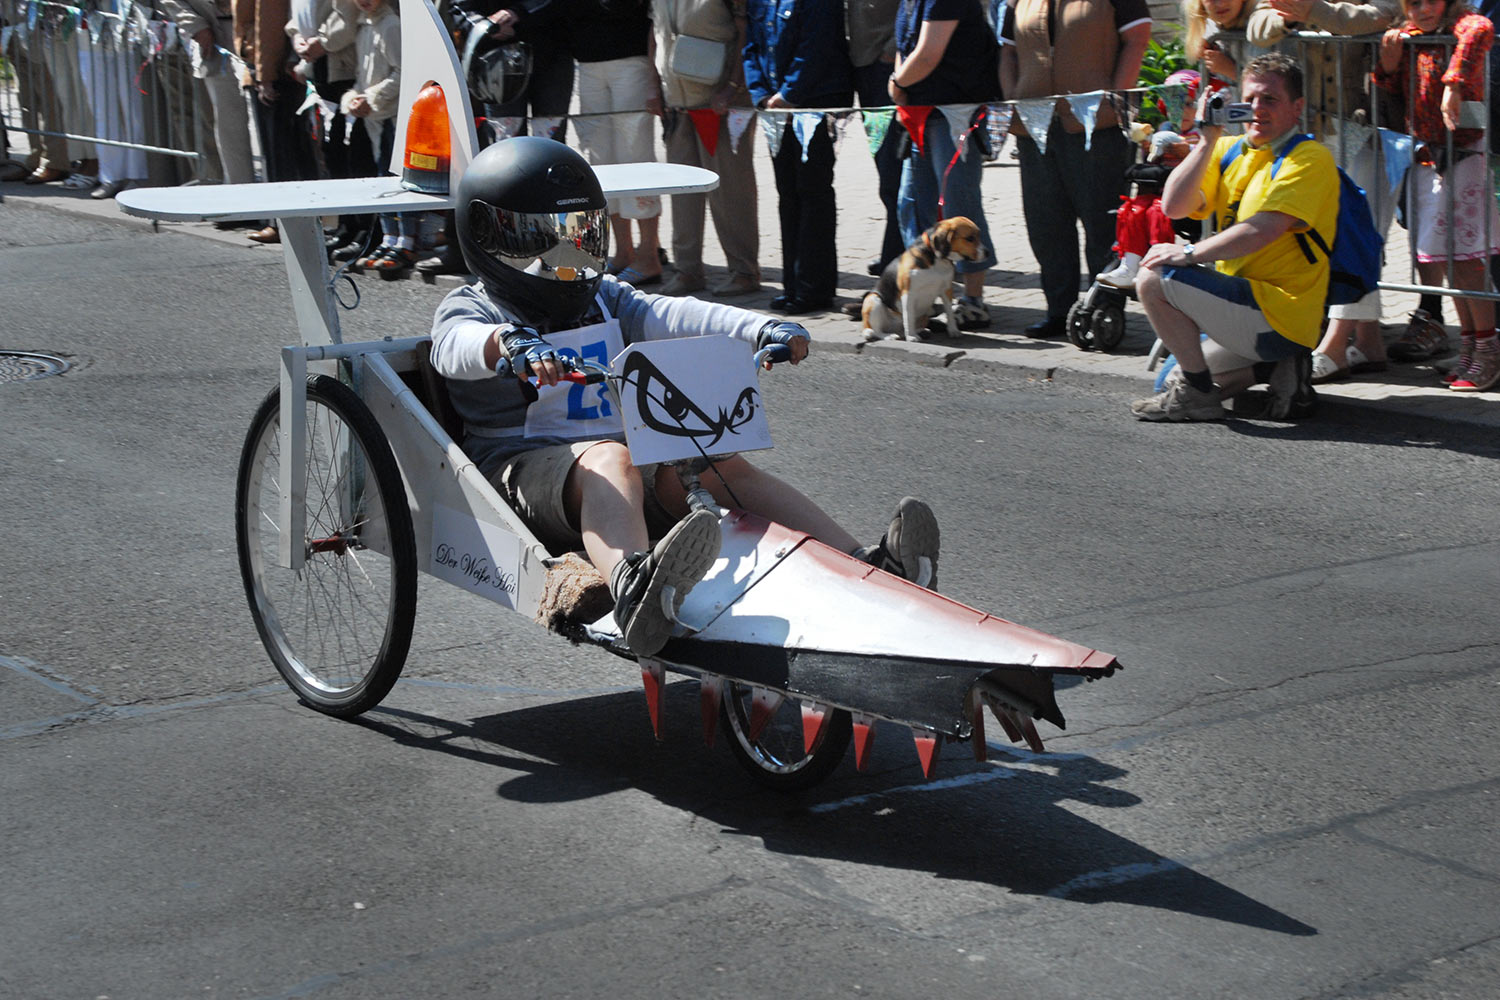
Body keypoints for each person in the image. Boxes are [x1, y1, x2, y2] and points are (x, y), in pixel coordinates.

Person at [428, 137, 940, 655]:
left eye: (576, 237)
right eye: (540, 242)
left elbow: (677, 315)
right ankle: (635, 592)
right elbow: (452, 349)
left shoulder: (606, 298)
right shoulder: (472, 307)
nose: (564, 259)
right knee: (613, 457)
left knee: (712, 462)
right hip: (517, 470)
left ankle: (868, 565)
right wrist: (506, 342)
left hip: (617, 474)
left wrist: (761, 327)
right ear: (487, 237)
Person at [1130, 51, 1339, 421]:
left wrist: (1189, 254)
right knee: (1166, 381)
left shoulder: (1310, 158)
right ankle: (1274, 369)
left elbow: (1264, 229)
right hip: (1240, 310)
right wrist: (1207, 140)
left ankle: (1198, 394)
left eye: (1270, 99)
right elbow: (1174, 206)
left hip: (1281, 314)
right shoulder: (1228, 149)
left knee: (1152, 277)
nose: (1258, 109)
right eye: (1251, 99)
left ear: (1297, 107)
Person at [1248, 0, 1400, 383]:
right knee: (1342, 237)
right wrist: (1289, 15)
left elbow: (1378, 16)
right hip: (1315, 133)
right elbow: (1256, 25)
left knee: (1358, 236)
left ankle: (1334, 346)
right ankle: (1367, 341)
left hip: (1370, 130)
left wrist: (1313, 11)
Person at [999, 0, 1152, 339]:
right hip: (1034, 125)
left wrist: (1115, 96)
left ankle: (1103, 312)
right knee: (1045, 223)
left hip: (1098, 126)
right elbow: (1007, 51)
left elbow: (1138, 37)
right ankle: (1059, 312)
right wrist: (1014, 96)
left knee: (1102, 224)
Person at [1374, 0, 1500, 391]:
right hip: (1427, 154)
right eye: (1413, 2)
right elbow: (1393, 90)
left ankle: (1489, 349)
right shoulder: (1409, 35)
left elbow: (1481, 28)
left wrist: (1454, 83)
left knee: (1468, 259)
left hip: (1462, 151)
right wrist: (1390, 64)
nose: (1423, 8)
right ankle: (1469, 347)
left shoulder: (1463, 24)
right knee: (1445, 257)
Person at [891, 0, 1001, 329]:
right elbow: (905, 48)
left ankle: (974, 301)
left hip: (954, 114)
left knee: (959, 207)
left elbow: (928, 53)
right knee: (913, 205)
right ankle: (926, 298)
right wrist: (900, 82)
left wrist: (897, 83)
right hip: (920, 114)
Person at [745, 0, 853, 314]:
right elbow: (752, 45)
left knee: (813, 194)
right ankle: (793, 285)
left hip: (813, 102)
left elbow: (817, 47)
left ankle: (814, 289)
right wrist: (760, 94)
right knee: (788, 196)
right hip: (775, 107)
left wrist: (788, 94)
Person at [650, 0, 762, 298]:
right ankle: (687, 270)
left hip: (721, 102)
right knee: (682, 191)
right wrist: (653, 85)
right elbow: (656, 32)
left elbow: (746, 31)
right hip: (676, 101)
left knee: (730, 191)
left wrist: (734, 86)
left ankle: (744, 271)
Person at [571, 0, 665, 288]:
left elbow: (653, 17)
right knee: (600, 161)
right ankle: (624, 251)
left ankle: (649, 253)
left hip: (631, 60)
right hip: (587, 63)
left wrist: (653, 78)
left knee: (635, 157)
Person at [847, 0, 907, 276]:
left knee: (894, 174)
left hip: (886, 67)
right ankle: (898, 251)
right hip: (864, 69)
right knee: (887, 173)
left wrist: (891, 50)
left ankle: (897, 256)